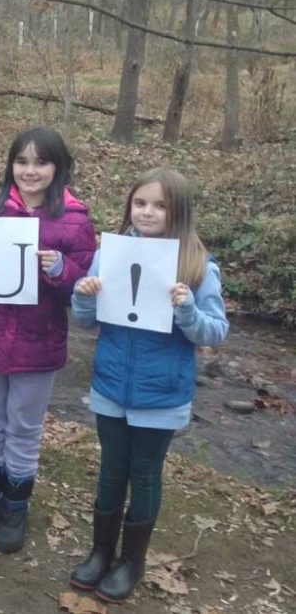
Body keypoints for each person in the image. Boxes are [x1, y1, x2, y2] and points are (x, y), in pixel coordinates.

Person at [68, 167, 228, 603]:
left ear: (178, 212)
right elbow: (84, 321)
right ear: (129, 207)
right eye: (140, 203)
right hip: (110, 385)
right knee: (110, 470)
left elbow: (215, 332)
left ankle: (132, 562)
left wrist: (189, 310)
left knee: (144, 475)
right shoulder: (110, 253)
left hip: (162, 394)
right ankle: (101, 552)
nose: (148, 212)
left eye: (159, 205)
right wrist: (83, 295)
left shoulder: (197, 264)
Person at [0, 126, 96, 553]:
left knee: (24, 430)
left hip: (39, 344)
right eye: (22, 161)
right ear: (11, 165)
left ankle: (14, 510)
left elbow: (88, 289)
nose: (30, 171)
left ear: (58, 168)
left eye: (41, 162)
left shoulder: (75, 222)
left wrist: (61, 270)